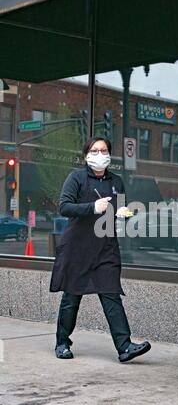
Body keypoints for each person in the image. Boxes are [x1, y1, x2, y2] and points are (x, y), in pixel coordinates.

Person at [49, 136, 151, 363]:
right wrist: (93, 207)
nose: (99, 154)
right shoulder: (76, 178)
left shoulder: (116, 181)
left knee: (111, 294)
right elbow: (65, 207)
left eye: (103, 150)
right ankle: (62, 342)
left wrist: (125, 213)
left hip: (105, 248)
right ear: (86, 156)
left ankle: (125, 347)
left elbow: (120, 208)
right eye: (94, 151)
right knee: (71, 297)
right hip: (78, 247)